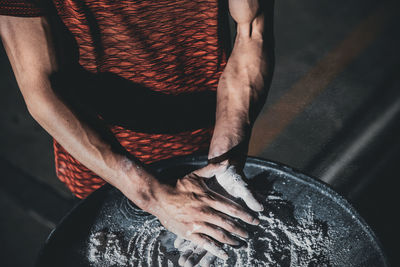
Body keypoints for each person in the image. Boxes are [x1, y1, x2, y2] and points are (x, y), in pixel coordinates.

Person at [0, 0, 274, 265]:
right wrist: (149, 195)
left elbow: (252, 31)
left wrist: (225, 157)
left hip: (206, 134)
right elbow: (42, 90)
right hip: (101, 155)